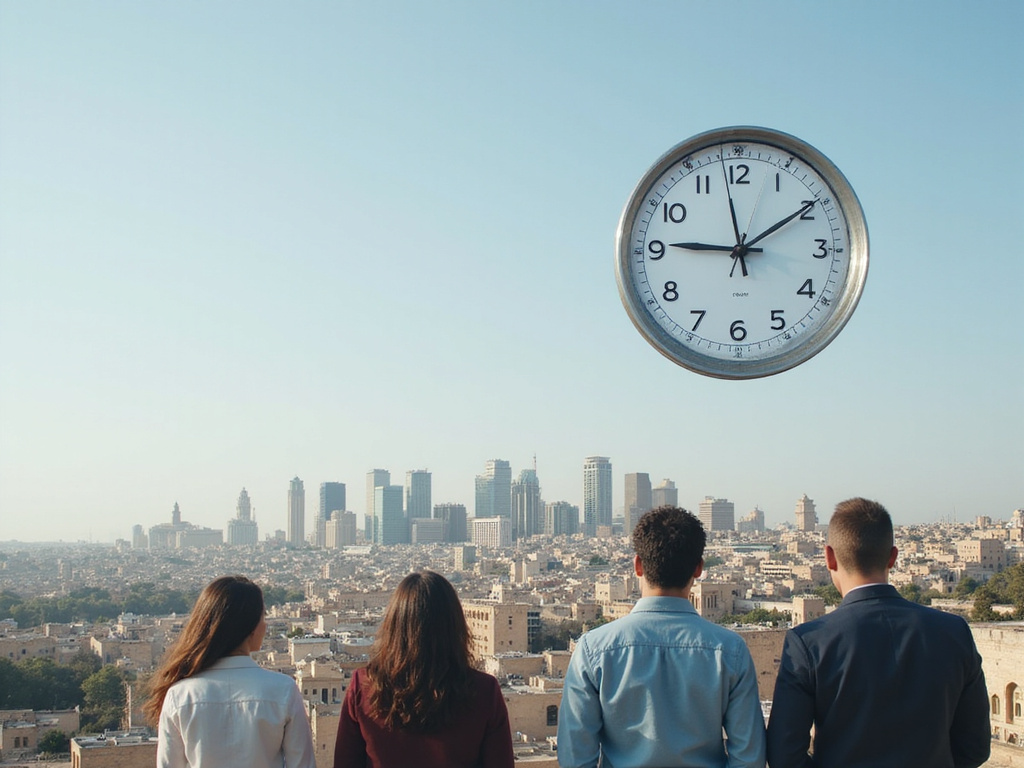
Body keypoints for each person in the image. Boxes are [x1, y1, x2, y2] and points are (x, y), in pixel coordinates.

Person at [766, 498, 990, 768]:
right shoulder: (954, 633)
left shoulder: (808, 643)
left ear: (829, 557)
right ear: (893, 557)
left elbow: (784, 757)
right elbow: (975, 748)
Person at [557, 506, 766, 768]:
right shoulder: (730, 651)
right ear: (698, 568)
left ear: (638, 565)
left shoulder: (593, 650)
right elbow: (748, 757)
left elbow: (575, 758)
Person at [333, 570, 514, 768]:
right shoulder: (484, 692)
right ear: (455, 626)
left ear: (394, 625)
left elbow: (345, 762)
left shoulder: (365, 686)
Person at [144, 575, 315, 768]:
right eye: (263, 616)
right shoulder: (283, 690)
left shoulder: (180, 695)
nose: (265, 625)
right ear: (250, 627)